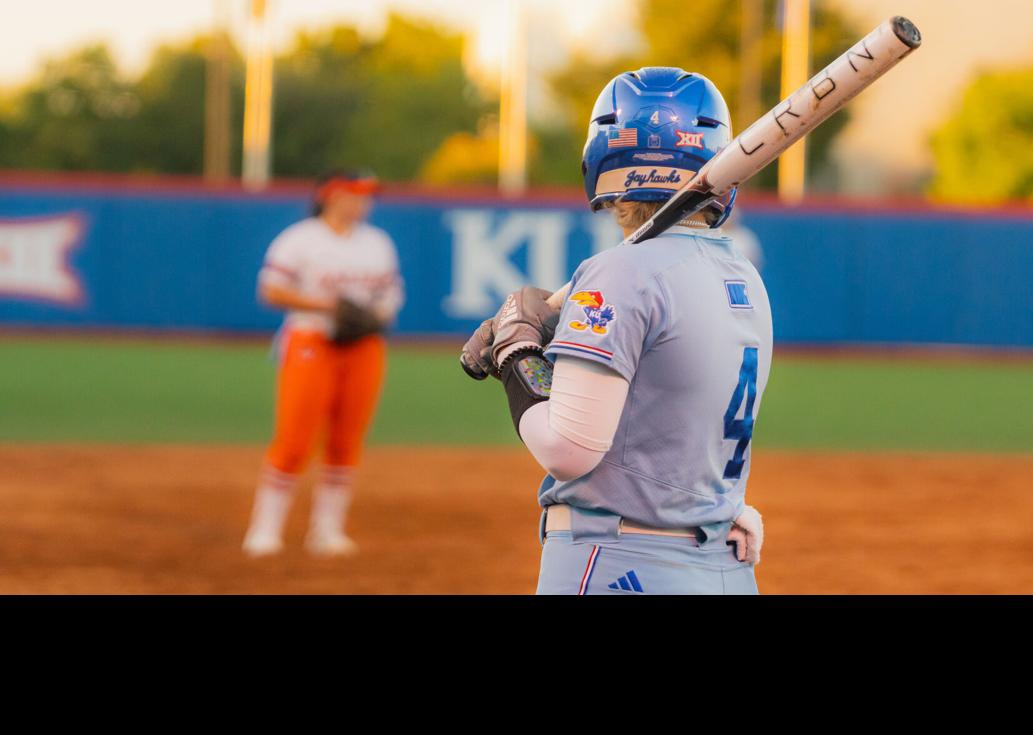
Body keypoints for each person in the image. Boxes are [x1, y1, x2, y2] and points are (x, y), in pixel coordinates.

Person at [460, 67, 770, 595]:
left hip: (619, 562)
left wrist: (515, 350)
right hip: (721, 562)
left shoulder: (620, 272)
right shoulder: (741, 272)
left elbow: (568, 450)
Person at [241, 169, 402, 557]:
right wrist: (328, 306)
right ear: (331, 196)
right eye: (355, 194)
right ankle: (265, 529)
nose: (363, 202)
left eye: (366, 196)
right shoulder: (300, 239)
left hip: (363, 346)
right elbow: (270, 290)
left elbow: (391, 295)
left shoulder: (377, 242)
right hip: (311, 341)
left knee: (346, 440)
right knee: (295, 439)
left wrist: (376, 316)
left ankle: (327, 531)